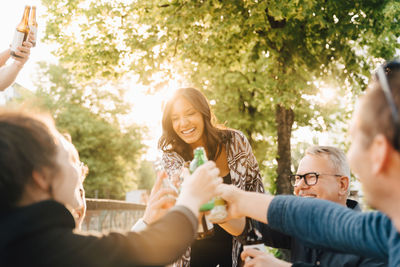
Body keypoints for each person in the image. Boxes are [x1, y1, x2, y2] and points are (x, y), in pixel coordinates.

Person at [215, 60, 400, 266]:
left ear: (379, 152)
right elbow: (312, 218)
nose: (300, 186)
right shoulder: (383, 230)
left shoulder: (379, 245)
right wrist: (230, 203)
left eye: (354, 137)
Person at [0, 109, 223, 267]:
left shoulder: (15, 238)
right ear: (41, 176)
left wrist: (149, 221)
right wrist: (191, 200)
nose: (79, 169)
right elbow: (153, 247)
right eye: (70, 158)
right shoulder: (43, 248)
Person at [159, 87, 265, 267]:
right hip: (192, 252)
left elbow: (256, 190)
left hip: (236, 247)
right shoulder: (171, 156)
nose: (183, 123)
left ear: (203, 113)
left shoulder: (235, 142)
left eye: (190, 113)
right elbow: (177, 186)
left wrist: (254, 245)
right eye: (175, 118)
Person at [243, 146, 386, 266]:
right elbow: (245, 225)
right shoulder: (300, 223)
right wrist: (224, 202)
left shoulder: (373, 240)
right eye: (297, 178)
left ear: (342, 185)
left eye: (311, 177)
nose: (299, 186)